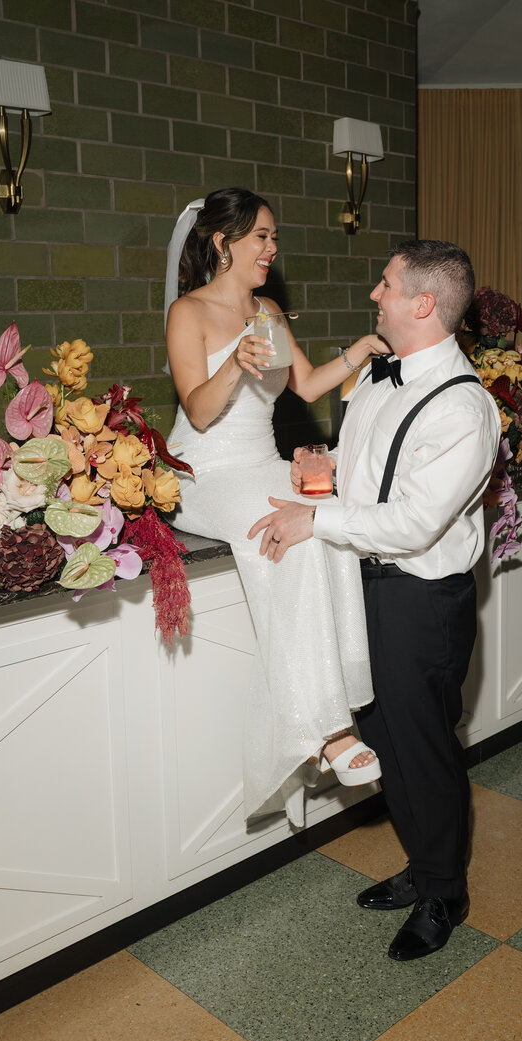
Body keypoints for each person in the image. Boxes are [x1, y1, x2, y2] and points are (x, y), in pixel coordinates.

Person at [249, 239, 501, 961]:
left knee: (423, 749)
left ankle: (445, 891)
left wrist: (316, 520)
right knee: (383, 737)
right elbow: (368, 480)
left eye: (385, 285)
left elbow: (417, 523)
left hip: (421, 599)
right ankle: (423, 866)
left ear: (422, 304)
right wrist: (324, 471)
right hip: (363, 584)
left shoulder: (465, 409)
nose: (374, 295)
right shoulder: (376, 377)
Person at [165, 188, 390, 828]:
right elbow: (201, 412)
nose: (271, 249)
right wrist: (235, 362)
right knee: (283, 535)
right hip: (203, 470)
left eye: (272, 239)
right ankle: (328, 730)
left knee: (326, 519)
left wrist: (360, 351)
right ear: (222, 241)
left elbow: (306, 383)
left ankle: (334, 702)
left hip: (263, 459)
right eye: (261, 237)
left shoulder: (267, 310)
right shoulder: (190, 312)